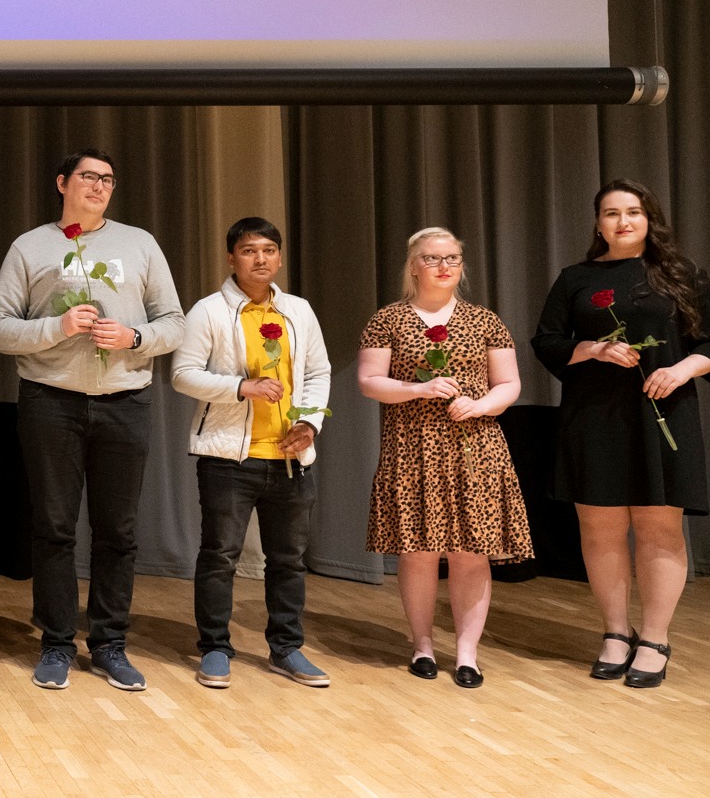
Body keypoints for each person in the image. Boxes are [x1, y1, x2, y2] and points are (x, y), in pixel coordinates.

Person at [0, 148, 184, 692]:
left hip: (125, 401)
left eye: (108, 180)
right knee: (53, 527)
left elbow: (174, 323)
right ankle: (55, 642)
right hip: (51, 402)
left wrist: (133, 336)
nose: (99, 186)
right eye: (88, 177)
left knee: (117, 530)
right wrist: (57, 326)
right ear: (62, 183)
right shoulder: (30, 246)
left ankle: (109, 643)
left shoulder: (140, 244)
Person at [531, 181, 709, 689]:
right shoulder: (576, 278)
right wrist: (592, 348)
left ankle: (654, 639)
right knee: (600, 529)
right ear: (598, 223)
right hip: (594, 415)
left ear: (650, 218)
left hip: (663, 410)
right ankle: (614, 632)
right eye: (611, 213)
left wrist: (683, 368)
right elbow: (546, 341)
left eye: (633, 212)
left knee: (659, 528)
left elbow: (708, 342)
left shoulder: (681, 275)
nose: (623, 221)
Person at [357, 226, 530, 689]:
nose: (443, 266)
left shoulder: (485, 320)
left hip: (475, 447)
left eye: (451, 258)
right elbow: (370, 381)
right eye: (432, 258)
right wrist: (419, 389)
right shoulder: (389, 318)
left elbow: (509, 384)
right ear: (414, 266)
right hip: (412, 446)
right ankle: (422, 645)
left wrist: (481, 405)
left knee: (471, 553)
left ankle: (468, 654)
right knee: (419, 553)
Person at [171, 217, 332, 689]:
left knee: (289, 560)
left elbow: (318, 372)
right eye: (248, 250)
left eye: (268, 250)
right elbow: (182, 374)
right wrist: (241, 387)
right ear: (231, 258)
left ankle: (286, 648)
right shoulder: (209, 310)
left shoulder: (299, 310)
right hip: (229, 458)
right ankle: (215, 647)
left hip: (290, 457)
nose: (260, 259)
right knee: (220, 556)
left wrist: (310, 422)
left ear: (279, 258)